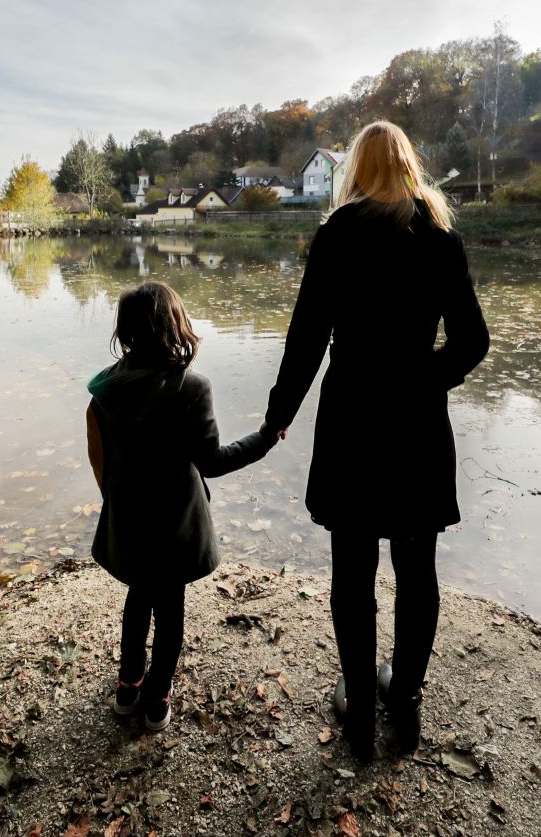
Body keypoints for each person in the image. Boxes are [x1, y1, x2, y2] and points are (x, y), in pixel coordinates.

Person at [264, 121, 489, 761]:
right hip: (417, 422)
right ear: (410, 167)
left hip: (352, 417)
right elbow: (473, 341)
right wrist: (426, 382)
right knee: (417, 571)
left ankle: (361, 713)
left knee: (352, 568)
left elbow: (307, 338)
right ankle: (406, 708)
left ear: (356, 170)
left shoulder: (338, 233)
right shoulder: (440, 235)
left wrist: (280, 413)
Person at [86, 280, 276, 731]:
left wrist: (115, 504)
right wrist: (265, 437)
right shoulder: (191, 386)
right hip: (175, 525)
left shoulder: (105, 388)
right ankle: (156, 701)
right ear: (176, 326)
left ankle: (128, 688)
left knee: (137, 600)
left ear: (126, 331)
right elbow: (213, 462)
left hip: (129, 519)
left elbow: (99, 456)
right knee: (170, 611)